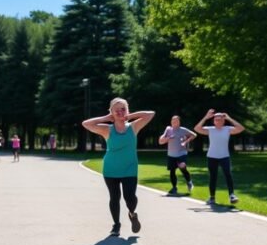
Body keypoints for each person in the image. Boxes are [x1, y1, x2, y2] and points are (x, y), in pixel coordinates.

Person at [82, 98, 155, 236]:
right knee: (114, 197)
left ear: (127, 110)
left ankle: (132, 214)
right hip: (111, 169)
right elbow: (86, 124)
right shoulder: (107, 130)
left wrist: (131, 116)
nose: (121, 112)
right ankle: (116, 225)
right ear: (112, 112)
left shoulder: (134, 127)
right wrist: (107, 117)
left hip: (129, 168)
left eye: (123, 109)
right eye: (117, 110)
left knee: (130, 198)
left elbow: (150, 114)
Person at [194, 109, 245, 204]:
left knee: (228, 175)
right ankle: (212, 197)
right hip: (212, 156)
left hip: (224, 156)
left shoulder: (228, 129)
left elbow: (241, 128)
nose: (218, 121)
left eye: (220, 119)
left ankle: (232, 195)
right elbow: (196, 128)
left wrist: (229, 118)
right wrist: (206, 117)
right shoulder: (210, 129)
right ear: (213, 121)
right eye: (216, 119)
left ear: (223, 120)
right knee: (213, 177)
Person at [158, 116, 196, 195]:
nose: (173, 122)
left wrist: (186, 142)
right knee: (172, 171)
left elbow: (194, 135)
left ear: (179, 122)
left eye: (175, 120)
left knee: (182, 167)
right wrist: (168, 138)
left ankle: (189, 182)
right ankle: (174, 188)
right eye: (172, 120)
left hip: (181, 153)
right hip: (171, 154)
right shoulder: (168, 130)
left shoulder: (183, 130)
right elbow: (161, 141)